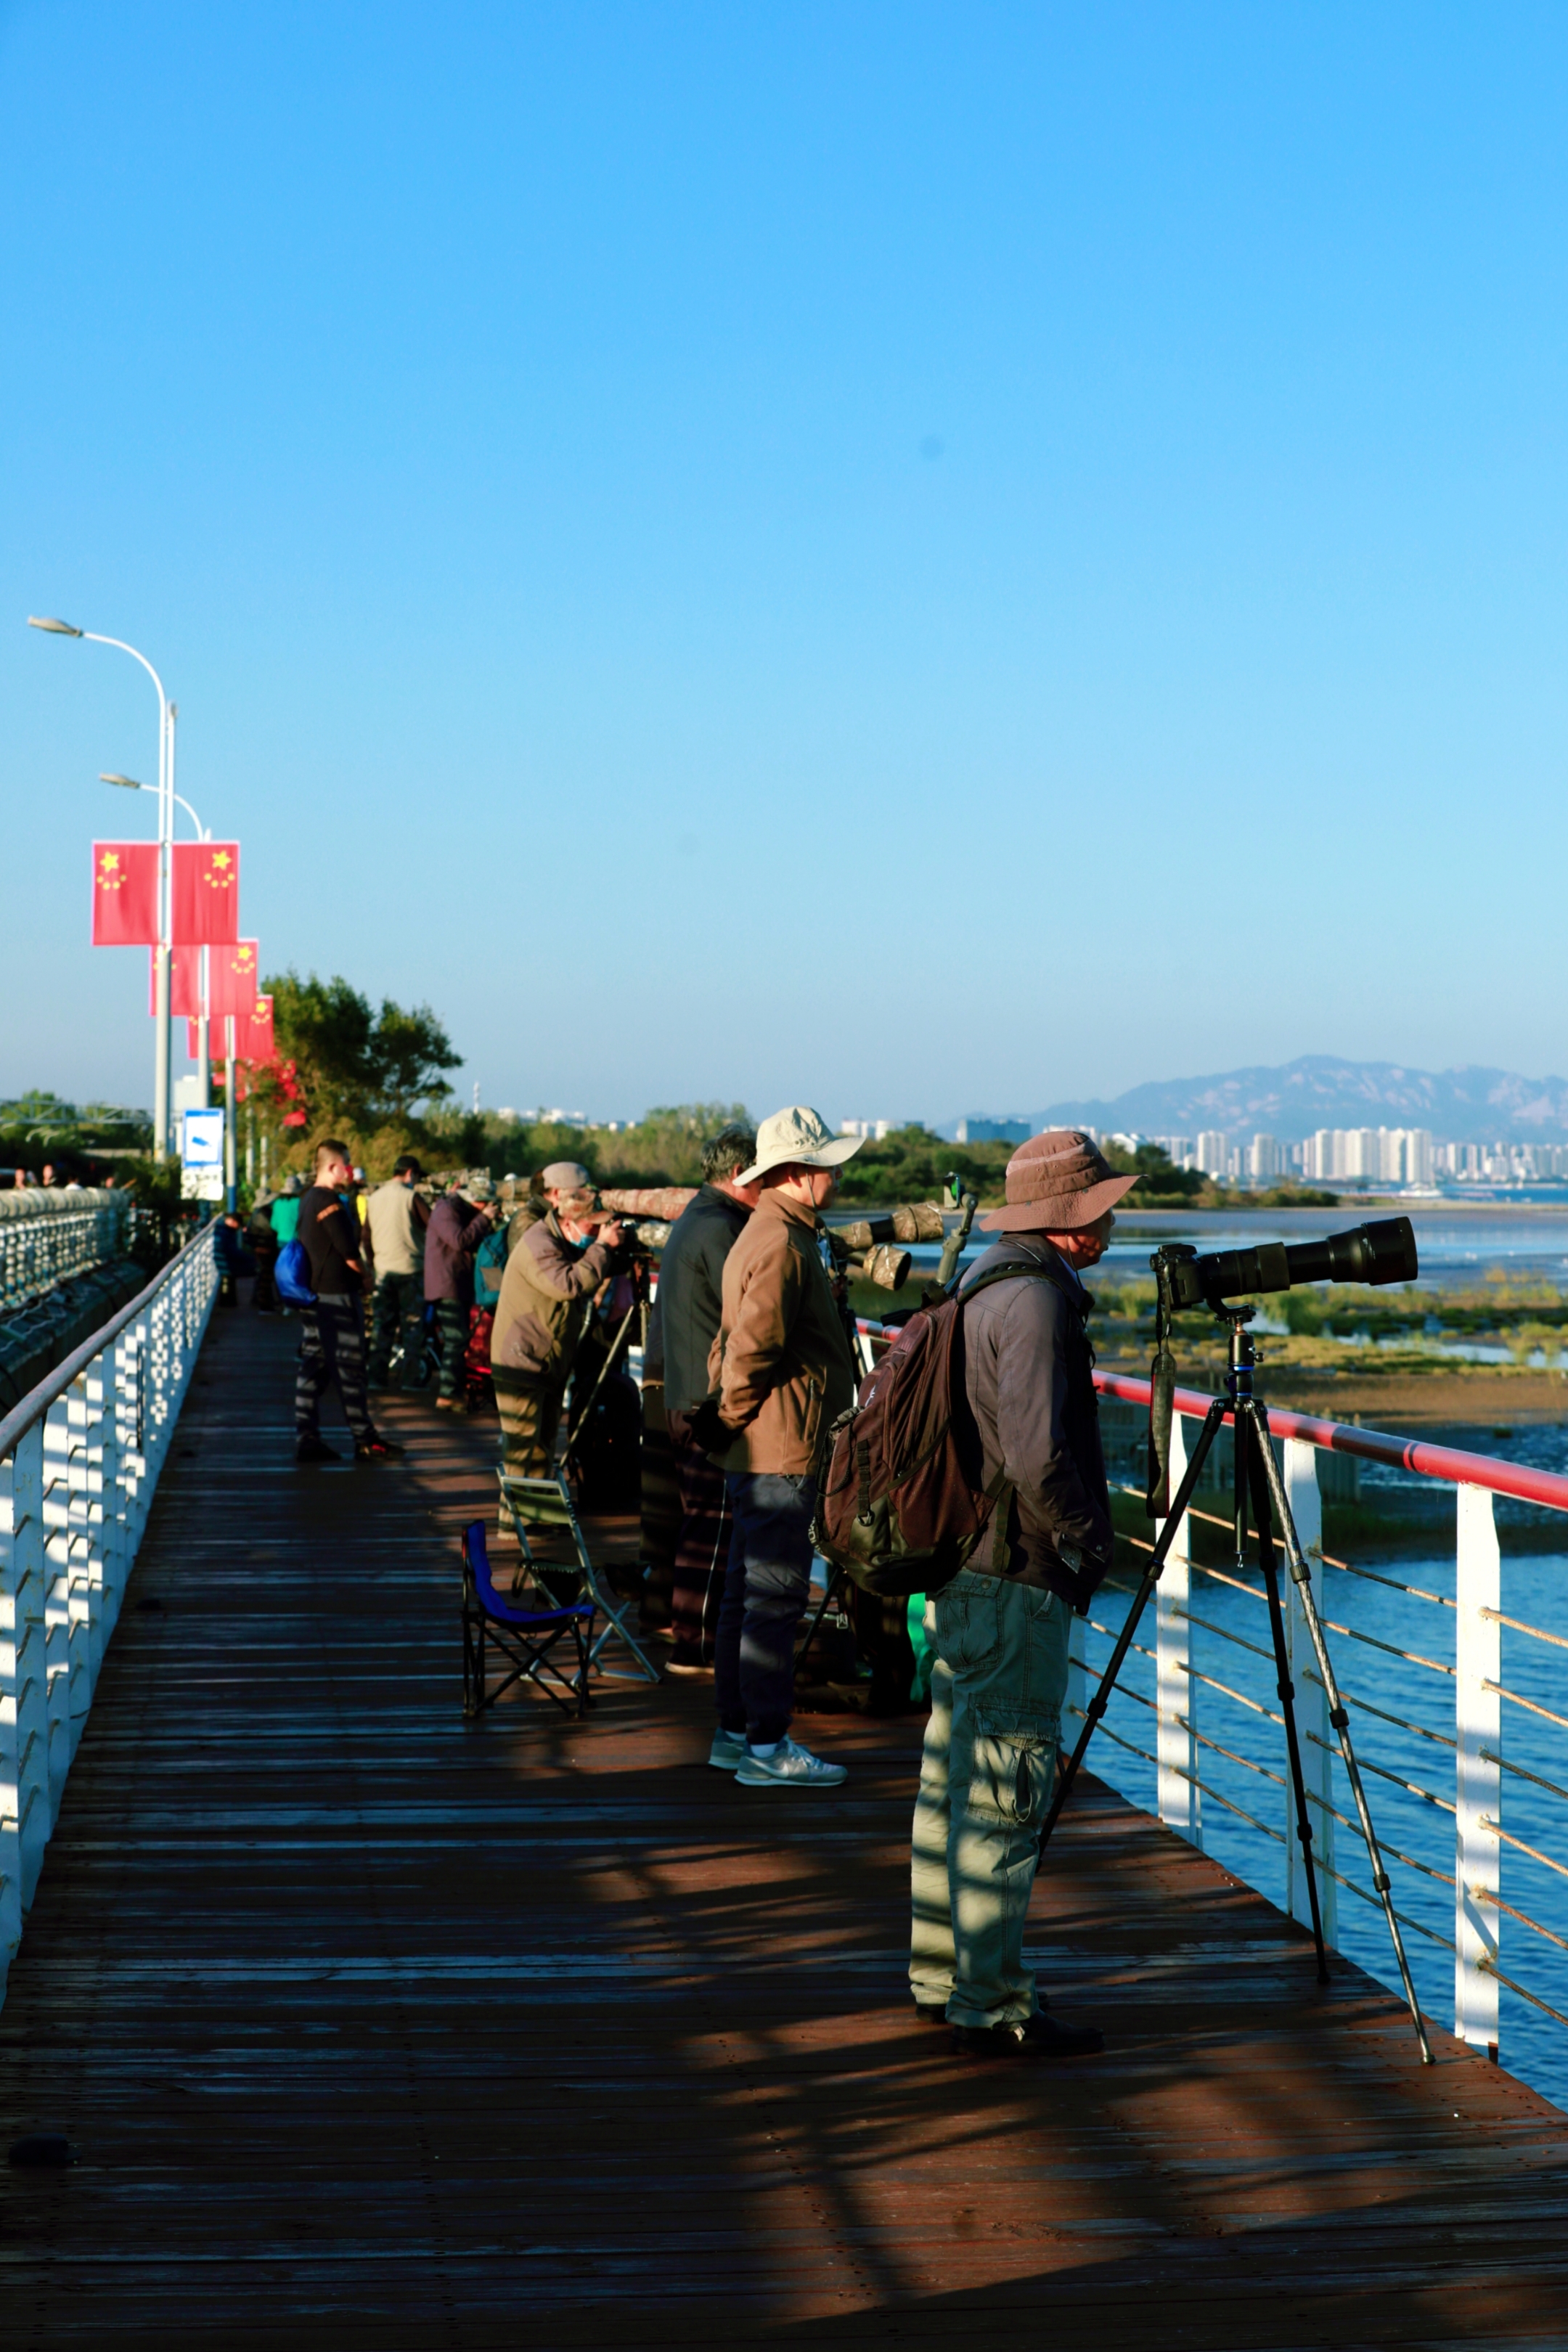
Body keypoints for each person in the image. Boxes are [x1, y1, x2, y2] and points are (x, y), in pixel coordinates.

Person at [908, 1130, 1136, 2062]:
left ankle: (940, 1975)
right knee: (1007, 1792)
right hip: (1016, 1579)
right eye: (1106, 1204)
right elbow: (1041, 1457)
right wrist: (1093, 1539)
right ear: (1073, 1219)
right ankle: (993, 2002)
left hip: (965, 1569)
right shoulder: (1037, 1303)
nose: (1116, 1217)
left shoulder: (983, 1285)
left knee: (951, 1783)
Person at [695, 1106, 862, 1789]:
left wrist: (725, 1422)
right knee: (774, 1598)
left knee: (747, 1593)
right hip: (779, 1449)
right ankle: (767, 1749)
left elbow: (736, 1343)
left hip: (762, 1446)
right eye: (828, 1165)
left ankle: (737, 1735)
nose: (837, 1176)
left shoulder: (767, 1231)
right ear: (800, 1173)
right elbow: (753, 1350)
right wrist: (728, 1419)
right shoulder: (782, 1244)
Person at [654, 1124, 761, 1673]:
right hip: (706, 1402)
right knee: (713, 1524)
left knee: (703, 1520)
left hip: (685, 1394)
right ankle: (694, 1646)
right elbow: (748, 1306)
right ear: (742, 1174)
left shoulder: (698, 1215)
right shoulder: (721, 1227)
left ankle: (693, 1636)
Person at [491, 1174, 622, 1483]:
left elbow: (586, 1268)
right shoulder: (539, 1242)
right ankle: (514, 1527)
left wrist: (613, 1250)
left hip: (543, 1361)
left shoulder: (561, 1238)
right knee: (521, 1451)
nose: (599, 1233)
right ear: (569, 1222)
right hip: (522, 1362)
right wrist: (602, 1247)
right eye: (595, 1227)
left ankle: (536, 1523)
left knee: (542, 1448)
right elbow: (569, 1284)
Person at [294, 1138, 404, 1466]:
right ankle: (366, 1440)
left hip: (315, 1297)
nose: (351, 1169)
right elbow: (347, 1249)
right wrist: (367, 1277)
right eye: (347, 1163)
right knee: (351, 1368)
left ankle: (307, 1438)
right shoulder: (329, 1201)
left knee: (312, 1369)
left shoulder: (308, 1198)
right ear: (332, 1167)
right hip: (337, 1298)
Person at [425, 1175, 500, 1410]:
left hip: (458, 1283)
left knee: (457, 1339)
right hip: (448, 1284)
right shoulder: (446, 1209)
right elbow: (460, 1240)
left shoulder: (461, 1210)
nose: (487, 1208)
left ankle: (452, 1392)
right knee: (456, 1339)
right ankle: (448, 1394)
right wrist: (484, 1219)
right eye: (484, 1203)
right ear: (475, 1199)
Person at [366, 1155, 429, 1388]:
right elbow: (432, 1226)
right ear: (410, 1173)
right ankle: (411, 1379)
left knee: (382, 1327)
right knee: (412, 1327)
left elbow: (365, 1236)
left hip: (383, 1272)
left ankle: (376, 1378)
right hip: (411, 1270)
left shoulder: (373, 1198)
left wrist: (373, 1264)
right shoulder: (412, 1197)